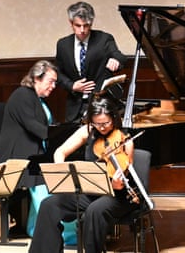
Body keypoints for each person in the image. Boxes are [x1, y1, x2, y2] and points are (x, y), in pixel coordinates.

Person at [28, 93, 140, 253]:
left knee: (94, 211)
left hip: (117, 195)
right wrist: (61, 170)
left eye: (106, 123)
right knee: (49, 205)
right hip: (91, 191)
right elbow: (60, 152)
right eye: (97, 124)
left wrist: (117, 183)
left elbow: (125, 176)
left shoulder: (125, 141)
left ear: (114, 118)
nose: (101, 128)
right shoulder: (86, 132)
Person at [0, 60, 58, 237]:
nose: (54, 86)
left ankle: (42, 226)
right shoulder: (22, 95)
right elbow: (34, 126)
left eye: (55, 82)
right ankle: (46, 228)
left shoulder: (36, 98)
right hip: (17, 157)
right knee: (44, 178)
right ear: (36, 78)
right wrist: (62, 138)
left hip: (31, 153)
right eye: (50, 81)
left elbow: (46, 128)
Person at [56, 1, 127, 123]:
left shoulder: (104, 39)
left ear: (91, 23)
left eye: (86, 25)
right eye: (78, 25)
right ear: (71, 23)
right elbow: (58, 73)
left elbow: (120, 57)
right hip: (74, 108)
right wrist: (72, 86)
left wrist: (116, 60)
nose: (82, 30)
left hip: (100, 105)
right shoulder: (63, 44)